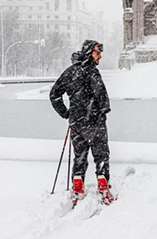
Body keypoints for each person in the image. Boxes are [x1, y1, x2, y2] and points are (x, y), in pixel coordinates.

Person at [50, 39, 113, 205]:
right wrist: (103, 110)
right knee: (101, 155)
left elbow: (54, 95)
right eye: (97, 53)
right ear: (88, 53)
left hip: (77, 123)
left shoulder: (70, 72)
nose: (99, 56)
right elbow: (102, 96)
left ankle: (77, 187)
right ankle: (103, 186)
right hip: (95, 122)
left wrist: (67, 113)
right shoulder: (92, 72)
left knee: (80, 156)